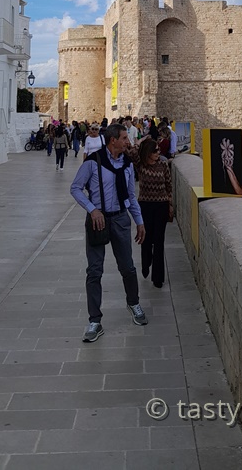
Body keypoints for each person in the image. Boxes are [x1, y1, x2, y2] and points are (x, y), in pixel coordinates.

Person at [70, 123, 147, 342]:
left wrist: (139, 221)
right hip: (98, 220)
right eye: (124, 138)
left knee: (128, 267)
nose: (128, 141)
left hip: (121, 218)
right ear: (113, 140)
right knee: (94, 271)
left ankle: (133, 303)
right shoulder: (93, 162)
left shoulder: (127, 165)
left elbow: (131, 196)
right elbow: (75, 187)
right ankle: (95, 320)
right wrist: (92, 209)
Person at [136, 139, 173, 288]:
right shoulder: (140, 165)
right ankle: (146, 264)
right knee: (146, 238)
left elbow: (168, 186)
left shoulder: (163, 165)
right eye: (155, 150)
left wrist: (170, 205)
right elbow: (132, 151)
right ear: (148, 153)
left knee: (159, 241)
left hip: (161, 205)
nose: (159, 153)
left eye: (159, 150)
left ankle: (158, 278)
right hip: (145, 205)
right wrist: (142, 140)